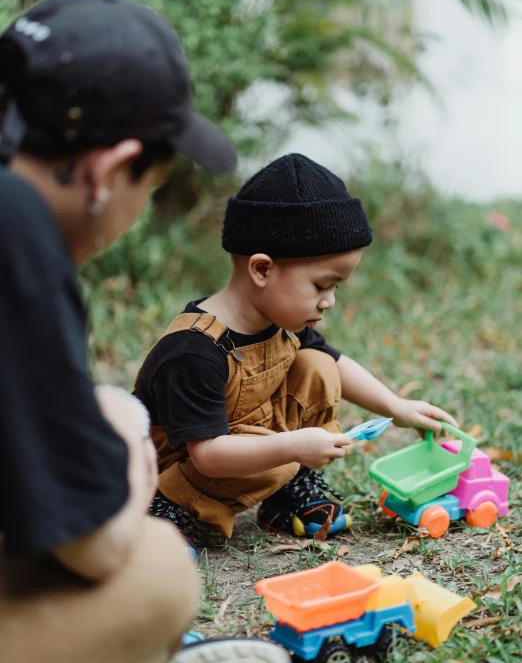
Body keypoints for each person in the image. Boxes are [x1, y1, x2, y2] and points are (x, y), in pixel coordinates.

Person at [0, 0, 290, 663]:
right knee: (158, 565)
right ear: (108, 171)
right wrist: (128, 439)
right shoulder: (17, 233)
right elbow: (96, 543)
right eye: (151, 186)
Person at [135, 153, 458, 549]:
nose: (329, 302)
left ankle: (287, 492)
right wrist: (292, 447)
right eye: (322, 286)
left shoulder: (280, 322)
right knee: (274, 454)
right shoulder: (194, 352)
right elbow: (209, 456)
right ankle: (168, 508)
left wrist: (397, 407)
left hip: (248, 440)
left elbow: (337, 366)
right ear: (262, 270)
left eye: (336, 288)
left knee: (318, 366)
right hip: (181, 463)